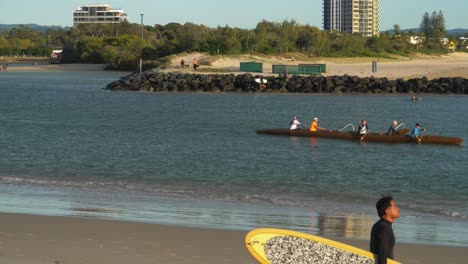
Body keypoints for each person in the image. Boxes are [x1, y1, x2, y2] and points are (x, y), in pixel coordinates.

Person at [370, 195, 400, 264]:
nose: (398, 208)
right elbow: (382, 253)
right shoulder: (384, 228)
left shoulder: (381, 225)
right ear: (387, 212)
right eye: (395, 207)